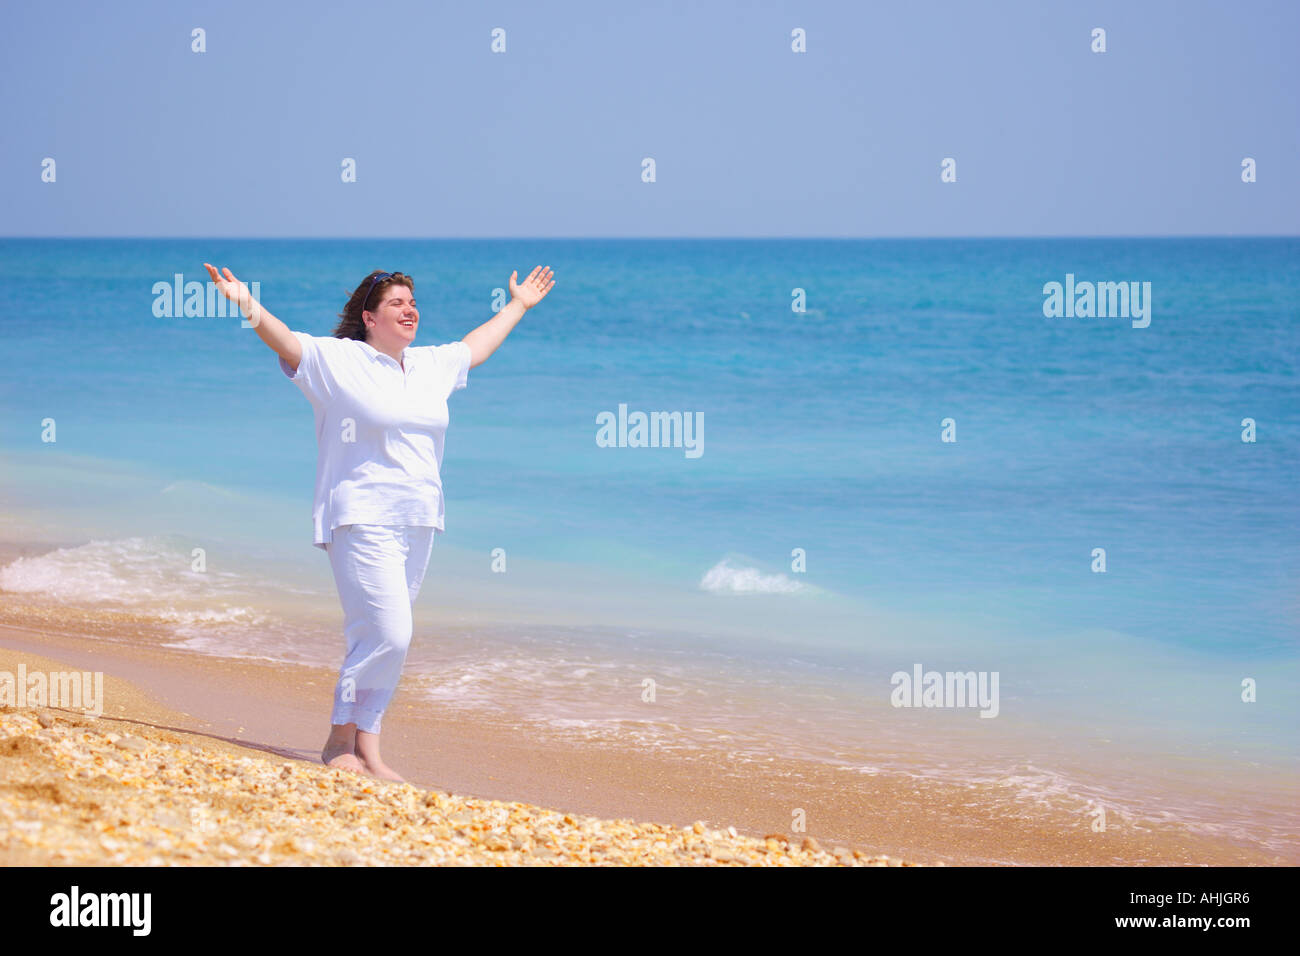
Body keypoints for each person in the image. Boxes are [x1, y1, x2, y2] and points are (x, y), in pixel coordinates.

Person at [202, 262, 555, 781]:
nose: (409, 309)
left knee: (388, 637)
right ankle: (338, 741)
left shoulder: (430, 365)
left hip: (418, 519)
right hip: (360, 514)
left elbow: (475, 346)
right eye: (396, 302)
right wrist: (244, 303)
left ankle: (367, 748)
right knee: (389, 633)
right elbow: (286, 342)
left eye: (412, 302)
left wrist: (519, 304)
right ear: (369, 317)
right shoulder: (340, 360)